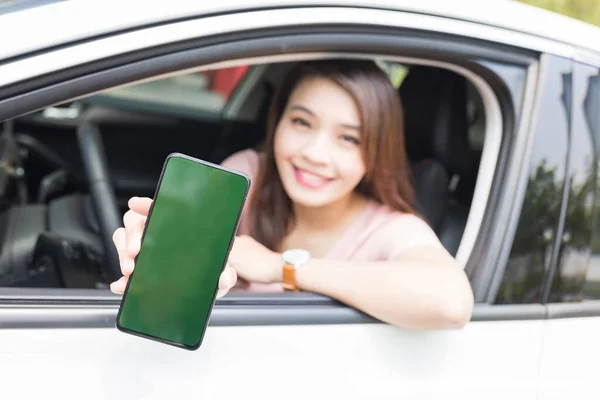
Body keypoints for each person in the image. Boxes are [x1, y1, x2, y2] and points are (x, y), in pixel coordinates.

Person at [110, 59, 474, 330]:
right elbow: (187, 243)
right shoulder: (251, 172)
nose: (315, 154)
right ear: (278, 121)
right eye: (302, 122)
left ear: (377, 151)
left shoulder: (390, 227)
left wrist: (279, 267)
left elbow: (450, 302)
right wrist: (156, 243)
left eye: (348, 138)